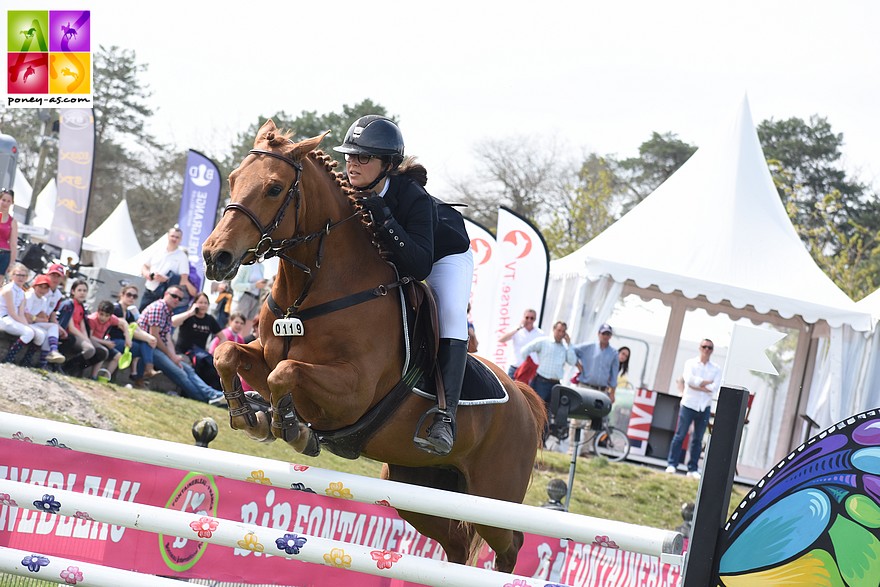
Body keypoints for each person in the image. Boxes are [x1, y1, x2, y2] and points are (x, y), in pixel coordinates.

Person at [334, 115, 472, 456]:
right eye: (349, 156)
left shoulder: (414, 199)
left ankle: (445, 416)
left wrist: (385, 216)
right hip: (399, 256)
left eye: (362, 157)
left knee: (451, 311)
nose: (352, 163)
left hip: (444, 255)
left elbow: (418, 266)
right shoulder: (344, 188)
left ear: (388, 164)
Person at [137, 284, 225, 405]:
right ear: (166, 294)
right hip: (150, 348)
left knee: (188, 369)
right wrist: (172, 355)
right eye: (174, 296)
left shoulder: (167, 311)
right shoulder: (158, 307)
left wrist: (173, 356)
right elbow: (155, 337)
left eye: (180, 298)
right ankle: (208, 399)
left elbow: (167, 337)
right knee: (181, 373)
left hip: (162, 349)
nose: (177, 300)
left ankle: (213, 394)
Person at [665, 339, 722, 479]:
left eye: (709, 347)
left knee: (697, 438)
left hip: (704, 406)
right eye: (704, 347)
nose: (706, 350)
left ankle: (693, 468)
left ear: (712, 350)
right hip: (689, 404)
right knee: (680, 435)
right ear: (699, 348)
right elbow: (689, 381)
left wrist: (698, 384)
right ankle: (672, 464)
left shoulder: (716, 368)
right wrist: (705, 383)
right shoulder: (690, 363)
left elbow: (714, 388)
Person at [520, 321, 577, 413]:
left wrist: (569, 344)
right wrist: (530, 364)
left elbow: (572, 361)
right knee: (536, 409)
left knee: (550, 412)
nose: (561, 333)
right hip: (541, 381)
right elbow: (524, 351)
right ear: (554, 330)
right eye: (559, 330)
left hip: (556, 384)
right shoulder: (544, 342)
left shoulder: (565, 348)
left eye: (563, 331)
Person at [108, 284, 160, 385]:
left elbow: (136, 329)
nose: (131, 298)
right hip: (113, 340)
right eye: (129, 295)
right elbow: (126, 329)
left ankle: (145, 371)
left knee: (145, 344)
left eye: (134, 296)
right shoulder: (116, 309)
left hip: (124, 341)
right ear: (122, 295)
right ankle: (144, 373)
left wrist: (150, 338)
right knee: (142, 347)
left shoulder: (129, 313)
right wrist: (148, 338)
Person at [173, 292, 226, 389]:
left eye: (206, 303)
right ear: (195, 303)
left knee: (210, 369)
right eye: (200, 302)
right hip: (183, 352)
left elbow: (223, 338)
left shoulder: (210, 320)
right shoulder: (189, 316)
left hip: (200, 354)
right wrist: (190, 312)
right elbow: (173, 322)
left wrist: (216, 353)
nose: (203, 305)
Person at [56, 279, 109, 375]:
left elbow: (82, 325)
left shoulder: (81, 307)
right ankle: (66, 367)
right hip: (72, 335)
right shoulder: (69, 304)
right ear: (73, 291)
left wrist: (87, 338)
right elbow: (71, 328)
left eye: (85, 291)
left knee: (103, 352)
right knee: (90, 349)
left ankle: (77, 369)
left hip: (80, 335)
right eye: (79, 290)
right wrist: (85, 339)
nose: (82, 293)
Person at [139, 226, 195, 311]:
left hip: (165, 296)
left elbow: (184, 280)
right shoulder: (157, 250)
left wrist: (166, 279)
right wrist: (148, 275)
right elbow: (145, 266)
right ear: (168, 236)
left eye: (177, 237)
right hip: (149, 291)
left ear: (180, 239)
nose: (174, 239)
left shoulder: (182, 256)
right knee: (140, 317)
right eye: (172, 236)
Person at [0, 263, 46, 364]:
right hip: (4, 318)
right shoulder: (8, 289)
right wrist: (27, 326)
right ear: (12, 275)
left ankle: (26, 361)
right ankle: (8, 358)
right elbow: (12, 312)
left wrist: (26, 324)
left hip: (14, 319)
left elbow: (20, 313)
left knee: (41, 335)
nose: (21, 278)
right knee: (28, 332)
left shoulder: (22, 293)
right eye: (18, 275)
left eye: (23, 275)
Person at [23, 273, 66, 367]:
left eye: (45, 287)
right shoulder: (30, 296)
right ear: (35, 286)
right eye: (40, 286)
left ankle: (52, 352)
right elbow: (27, 317)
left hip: (33, 322)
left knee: (53, 327)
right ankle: (41, 360)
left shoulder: (44, 299)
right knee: (43, 334)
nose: (43, 290)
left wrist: (36, 318)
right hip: (24, 322)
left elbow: (44, 317)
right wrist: (36, 318)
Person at [573, 323, 620, 403]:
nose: (605, 336)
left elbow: (614, 375)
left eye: (608, 334)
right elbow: (571, 350)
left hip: (601, 391)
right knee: (579, 413)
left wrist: (612, 393)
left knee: (596, 415)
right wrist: (577, 364)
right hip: (584, 387)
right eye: (603, 333)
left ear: (610, 336)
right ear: (598, 334)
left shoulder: (614, 353)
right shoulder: (588, 347)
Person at [86, 300, 132, 380]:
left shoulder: (111, 319)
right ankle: (93, 376)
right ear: (98, 312)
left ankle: (106, 378)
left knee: (118, 356)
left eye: (106, 315)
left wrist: (127, 337)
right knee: (103, 352)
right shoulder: (93, 319)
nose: (103, 318)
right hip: (92, 341)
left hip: (102, 341)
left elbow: (123, 323)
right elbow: (90, 337)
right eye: (101, 314)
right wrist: (106, 343)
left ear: (110, 315)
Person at [498, 308, 544, 379]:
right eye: (527, 317)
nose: (529, 320)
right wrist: (519, 328)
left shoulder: (540, 333)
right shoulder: (517, 330)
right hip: (515, 367)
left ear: (535, 319)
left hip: (531, 370)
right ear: (523, 318)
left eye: (532, 318)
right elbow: (501, 339)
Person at [230, 263, 266, 338]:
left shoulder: (261, 267)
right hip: (244, 298)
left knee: (246, 332)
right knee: (236, 327)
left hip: (255, 300)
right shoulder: (245, 265)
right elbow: (234, 284)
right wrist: (254, 285)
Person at [0, 189, 18, 282]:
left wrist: (12, 263)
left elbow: (13, 244)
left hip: (3, 255)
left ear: (12, 203)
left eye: (8, 201)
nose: (5, 203)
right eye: (3, 200)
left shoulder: (12, 222)